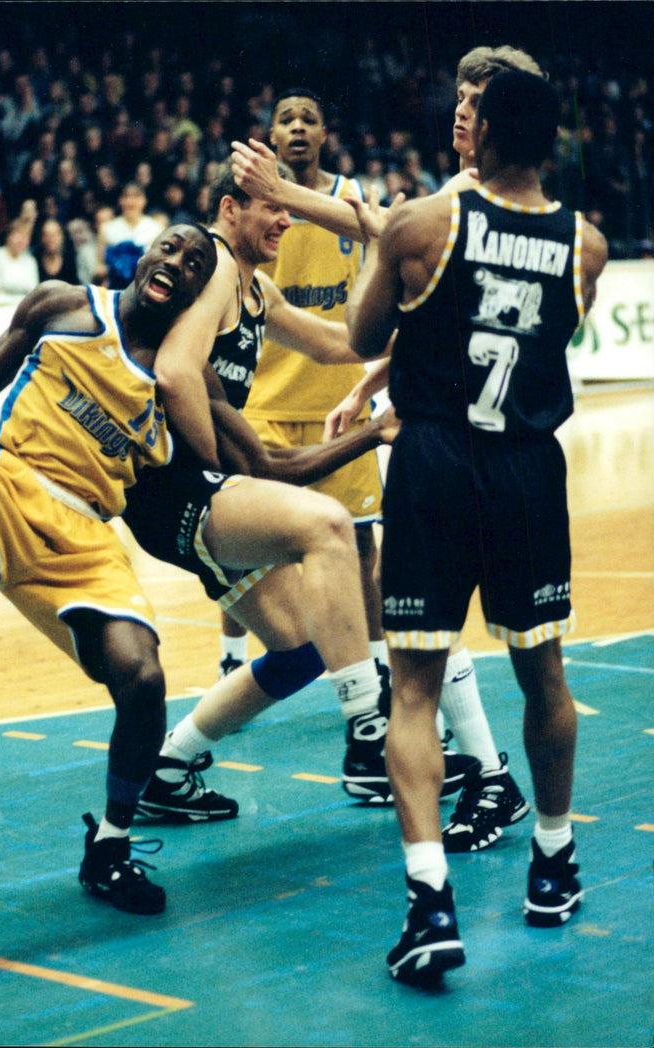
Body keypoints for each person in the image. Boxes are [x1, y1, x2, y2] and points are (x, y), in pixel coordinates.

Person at [0, 224, 219, 916]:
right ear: (143, 256)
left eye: (195, 262)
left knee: (143, 679)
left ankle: (110, 848)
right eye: (169, 246)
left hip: (85, 531)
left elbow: (241, 464)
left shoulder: (186, 380)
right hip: (6, 478)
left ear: (200, 292)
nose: (175, 261)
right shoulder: (64, 306)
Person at [230, 52, 538, 853]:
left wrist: (284, 192)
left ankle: (496, 790)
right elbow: (431, 316)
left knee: (426, 624)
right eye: (459, 96)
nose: (458, 112)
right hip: (468, 435)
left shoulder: (473, 204)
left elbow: (380, 231)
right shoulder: (505, 208)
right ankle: (495, 782)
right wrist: (369, 391)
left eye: (475, 101)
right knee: (427, 624)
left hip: (472, 441)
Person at [345, 70, 607, 983]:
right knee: (545, 674)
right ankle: (554, 861)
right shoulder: (588, 245)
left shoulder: (424, 225)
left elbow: (358, 336)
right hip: (527, 466)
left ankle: (429, 904)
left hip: (436, 461)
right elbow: (549, 343)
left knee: (412, 688)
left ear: (485, 130)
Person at [124, 162, 394, 820]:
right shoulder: (214, 264)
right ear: (228, 209)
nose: (285, 218)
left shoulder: (255, 291)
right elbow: (177, 374)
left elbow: (338, 345)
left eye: (288, 207)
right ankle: (369, 729)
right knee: (327, 525)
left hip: (179, 499)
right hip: (178, 488)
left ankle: (168, 767)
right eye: (271, 206)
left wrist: (403, 315)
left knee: (300, 648)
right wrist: (223, 471)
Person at [218, 89, 387, 710]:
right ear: (270, 134)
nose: (295, 127)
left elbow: (379, 250)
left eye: (307, 119)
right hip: (261, 400)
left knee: (360, 545)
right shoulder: (256, 216)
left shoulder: (348, 203)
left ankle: (374, 671)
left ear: (324, 133)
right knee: (243, 547)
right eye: (284, 119)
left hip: (337, 401)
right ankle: (232, 660)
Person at [94, 182, 165, 289]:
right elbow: (99, 266)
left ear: (144, 200)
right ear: (120, 200)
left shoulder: (156, 229)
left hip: (145, 287)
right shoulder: (107, 229)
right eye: (126, 197)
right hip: (115, 287)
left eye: (136, 197)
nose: (130, 202)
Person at [0, 220, 39, 297]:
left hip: (24, 305)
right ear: (8, 236)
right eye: (18, 235)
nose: (21, 240)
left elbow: (33, 291)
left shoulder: (30, 260)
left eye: (26, 237)